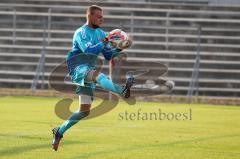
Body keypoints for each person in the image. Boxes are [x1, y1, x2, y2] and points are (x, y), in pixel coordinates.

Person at [51, 5, 134, 151]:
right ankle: (121, 90)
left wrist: (121, 47)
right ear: (89, 16)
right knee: (98, 75)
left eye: (102, 16)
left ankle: (59, 131)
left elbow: (108, 55)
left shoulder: (101, 33)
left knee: (84, 111)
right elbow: (88, 50)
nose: (102, 19)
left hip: (88, 71)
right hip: (78, 68)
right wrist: (106, 39)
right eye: (99, 16)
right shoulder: (81, 32)